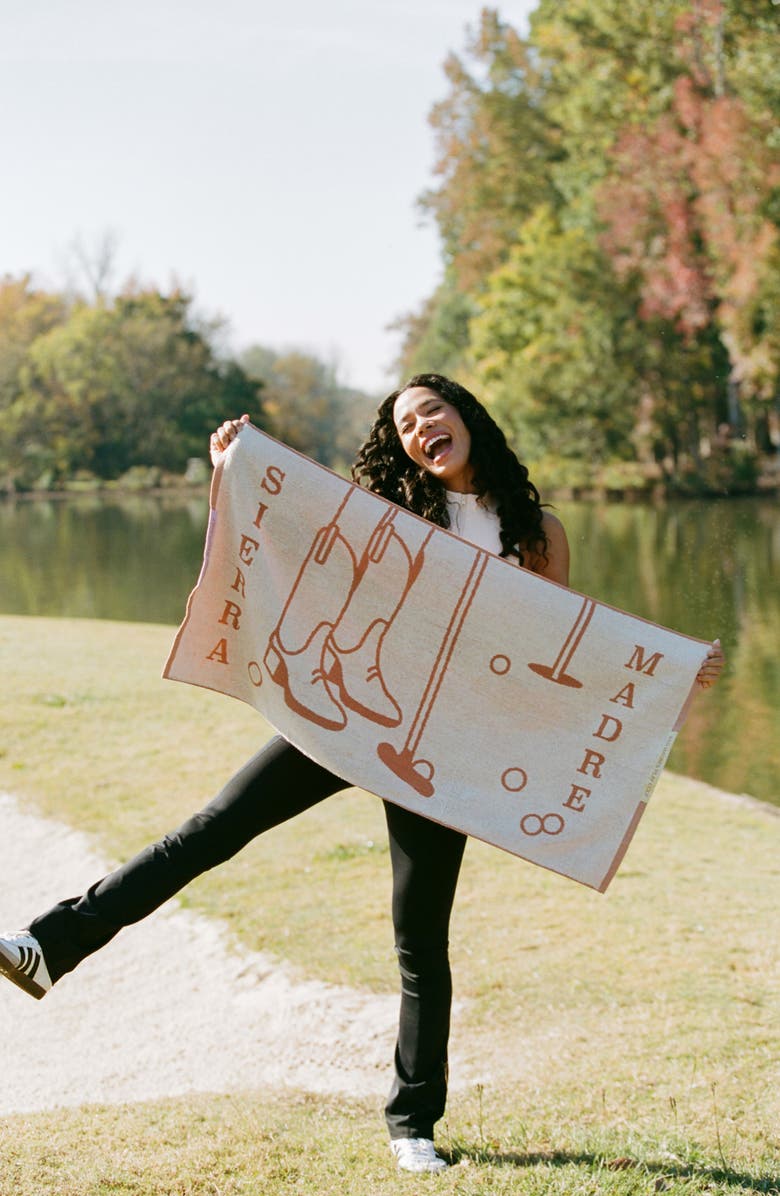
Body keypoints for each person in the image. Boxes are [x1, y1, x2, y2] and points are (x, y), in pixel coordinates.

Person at [0, 374, 725, 1173]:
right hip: (344, 713)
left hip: (442, 753)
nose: (421, 430)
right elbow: (292, 536)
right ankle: (45, 945)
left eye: (433, 413)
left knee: (421, 941)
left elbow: (556, 647)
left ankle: (412, 1126)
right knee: (208, 833)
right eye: (407, 424)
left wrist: (672, 670)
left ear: (467, 416)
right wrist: (228, 469)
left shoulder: (536, 531)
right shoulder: (393, 514)